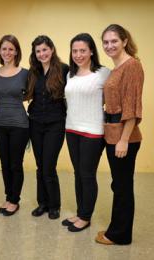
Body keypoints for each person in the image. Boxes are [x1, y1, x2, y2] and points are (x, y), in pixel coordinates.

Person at [95, 24, 144, 245]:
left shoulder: (132, 66)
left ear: (124, 41)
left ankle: (119, 235)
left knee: (123, 186)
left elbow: (132, 107)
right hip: (112, 133)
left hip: (124, 135)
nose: (109, 45)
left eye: (114, 41)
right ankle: (116, 229)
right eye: (105, 42)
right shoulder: (116, 68)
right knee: (119, 184)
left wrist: (124, 140)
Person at [63, 33, 110, 232]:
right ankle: (81, 211)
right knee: (77, 174)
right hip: (72, 129)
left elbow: (111, 100)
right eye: (75, 51)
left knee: (87, 174)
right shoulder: (70, 74)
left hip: (93, 132)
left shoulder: (103, 72)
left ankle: (85, 216)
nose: (78, 55)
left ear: (91, 51)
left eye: (83, 50)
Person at [26, 35, 69, 220]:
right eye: (38, 51)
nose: (42, 54)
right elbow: (26, 95)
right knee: (39, 165)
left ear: (51, 49)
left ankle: (54, 205)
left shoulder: (64, 69)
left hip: (55, 123)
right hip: (35, 122)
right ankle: (42, 203)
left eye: (44, 49)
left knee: (48, 166)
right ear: (34, 54)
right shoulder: (33, 72)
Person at [0, 35, 29, 216]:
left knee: (16, 163)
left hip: (19, 125)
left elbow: (30, 95)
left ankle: (15, 200)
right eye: (4, 49)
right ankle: (9, 196)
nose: (7, 52)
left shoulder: (25, 73)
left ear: (16, 51)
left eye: (10, 49)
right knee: (5, 163)